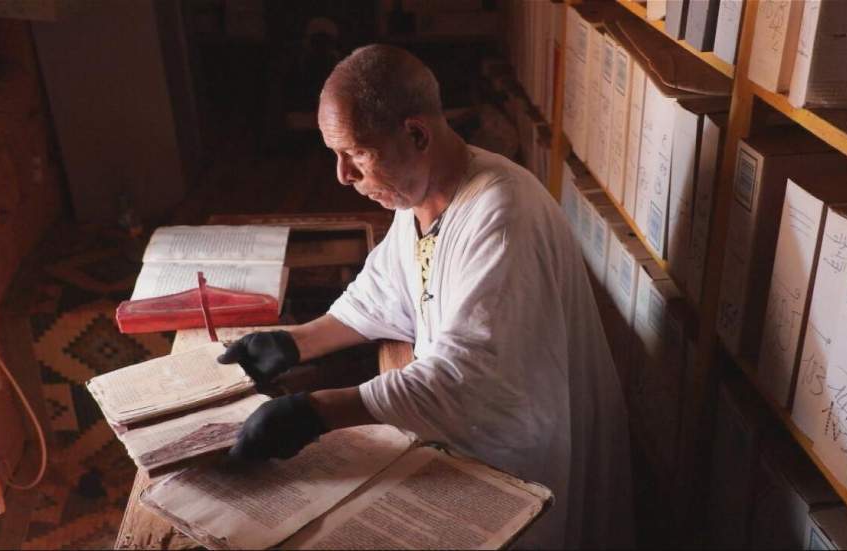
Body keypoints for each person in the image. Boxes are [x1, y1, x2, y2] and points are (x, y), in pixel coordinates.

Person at [218, 44, 635, 549]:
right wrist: (294, 343)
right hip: (468, 430)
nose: (342, 176)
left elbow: (464, 379)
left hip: (524, 463)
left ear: (416, 134)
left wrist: (316, 412)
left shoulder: (501, 217)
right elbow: (386, 291)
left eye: (355, 154)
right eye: (335, 155)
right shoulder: (421, 192)